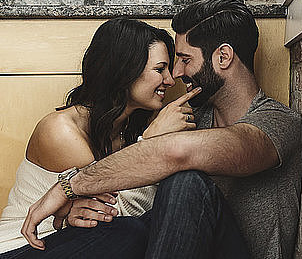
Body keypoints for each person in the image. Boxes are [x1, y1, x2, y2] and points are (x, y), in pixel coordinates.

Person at [21, 0, 302, 258]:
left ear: (223, 57)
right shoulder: (187, 119)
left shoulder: (277, 121)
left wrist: (70, 186)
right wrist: (77, 212)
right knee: (135, 228)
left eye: (185, 60)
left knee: (186, 181)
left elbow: (177, 153)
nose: (177, 74)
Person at [0, 18, 199, 258]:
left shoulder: (128, 129)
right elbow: (113, 213)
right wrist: (153, 143)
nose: (169, 80)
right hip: (23, 249)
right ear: (125, 71)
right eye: (159, 69)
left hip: (78, 244)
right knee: (130, 232)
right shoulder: (61, 131)